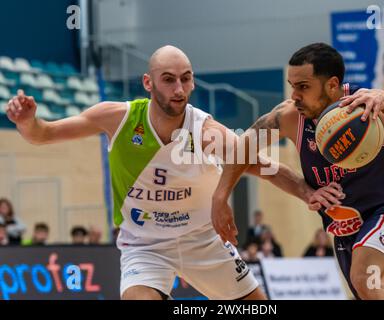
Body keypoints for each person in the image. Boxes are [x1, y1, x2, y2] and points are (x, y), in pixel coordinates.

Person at [4, 45, 341, 300]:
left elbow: (263, 166)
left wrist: (305, 190)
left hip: (203, 241)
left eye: (186, 78)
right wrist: (27, 122)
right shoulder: (117, 119)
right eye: (168, 80)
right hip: (145, 245)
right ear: (148, 82)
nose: (179, 89)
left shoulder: (206, 131)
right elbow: (43, 134)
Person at [212, 42, 384, 300]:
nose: (294, 95)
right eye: (292, 86)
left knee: (367, 281)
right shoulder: (290, 117)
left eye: (303, 87)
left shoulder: (369, 107)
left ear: (331, 85)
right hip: (344, 231)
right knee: (371, 289)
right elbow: (245, 146)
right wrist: (220, 196)